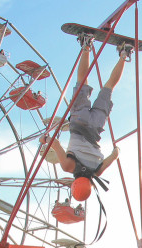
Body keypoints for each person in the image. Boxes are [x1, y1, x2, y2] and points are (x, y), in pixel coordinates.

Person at [43, 41, 129, 201]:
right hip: (78, 122)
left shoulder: (97, 171)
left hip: (96, 126)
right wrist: (45, 139)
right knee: (83, 81)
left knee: (109, 87)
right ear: (75, 185)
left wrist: (117, 150)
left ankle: (124, 55)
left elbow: (115, 155)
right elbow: (55, 144)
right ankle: (87, 45)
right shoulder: (68, 166)